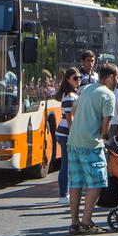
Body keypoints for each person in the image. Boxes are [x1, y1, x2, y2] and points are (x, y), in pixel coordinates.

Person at [66, 63, 118, 234]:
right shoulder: (109, 95)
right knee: (96, 182)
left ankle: (74, 223)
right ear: (110, 77)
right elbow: (105, 126)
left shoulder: (87, 89)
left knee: (75, 183)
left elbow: (73, 110)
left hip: (73, 141)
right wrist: (103, 138)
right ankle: (86, 222)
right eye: (117, 77)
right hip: (91, 143)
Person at [54, 67, 81, 205]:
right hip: (66, 133)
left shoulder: (72, 94)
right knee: (66, 164)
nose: (78, 80)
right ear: (67, 79)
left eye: (79, 78)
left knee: (69, 164)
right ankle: (63, 194)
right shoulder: (69, 96)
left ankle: (66, 193)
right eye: (75, 78)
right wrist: (73, 135)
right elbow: (69, 118)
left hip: (66, 132)